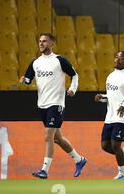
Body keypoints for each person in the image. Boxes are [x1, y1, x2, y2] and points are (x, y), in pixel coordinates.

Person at [20, 33, 87, 179]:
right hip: (42, 104)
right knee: (57, 138)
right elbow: (28, 79)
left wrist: (72, 89)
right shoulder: (35, 62)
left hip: (56, 103)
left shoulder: (59, 60)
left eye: (44, 41)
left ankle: (44, 170)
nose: (41, 43)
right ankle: (79, 159)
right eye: (39, 41)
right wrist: (24, 80)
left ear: (52, 44)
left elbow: (74, 75)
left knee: (48, 136)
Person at [94, 51, 124, 179]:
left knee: (116, 144)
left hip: (123, 116)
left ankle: (122, 174)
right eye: (116, 57)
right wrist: (102, 97)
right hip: (110, 116)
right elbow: (112, 96)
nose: (117, 60)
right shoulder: (110, 76)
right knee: (105, 146)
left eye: (120, 58)